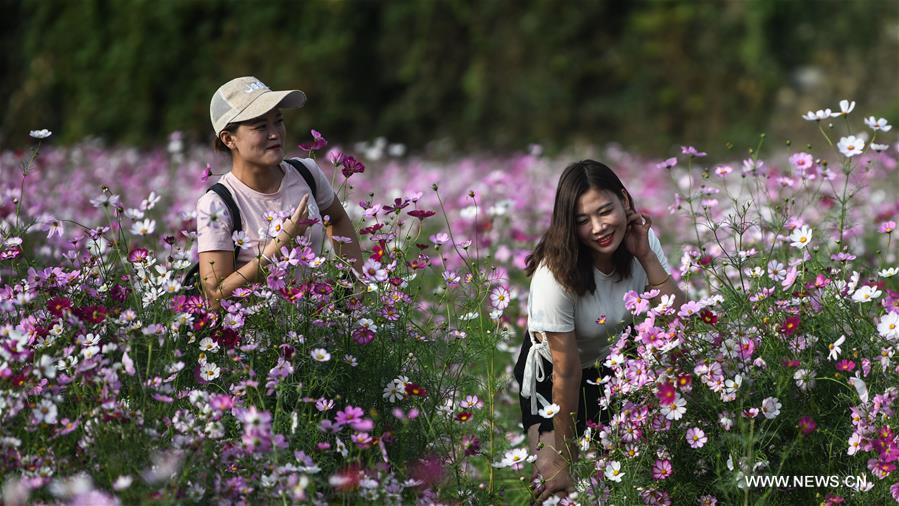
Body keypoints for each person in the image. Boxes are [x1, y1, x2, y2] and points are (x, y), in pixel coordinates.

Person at [513, 159, 686, 503]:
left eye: (605, 211)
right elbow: (567, 371)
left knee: (624, 479)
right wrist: (562, 456)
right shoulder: (554, 275)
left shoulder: (641, 239)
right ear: (569, 225)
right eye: (582, 221)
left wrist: (646, 257)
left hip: (618, 368)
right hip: (555, 377)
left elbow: (679, 319)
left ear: (624, 200)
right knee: (553, 484)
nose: (598, 227)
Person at [196, 76, 363, 306]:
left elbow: (338, 218)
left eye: (279, 121)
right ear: (229, 139)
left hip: (320, 328)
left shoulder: (306, 172)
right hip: (254, 338)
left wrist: (354, 287)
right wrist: (282, 240)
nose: (275, 133)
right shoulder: (217, 204)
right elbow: (215, 295)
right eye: (261, 126)